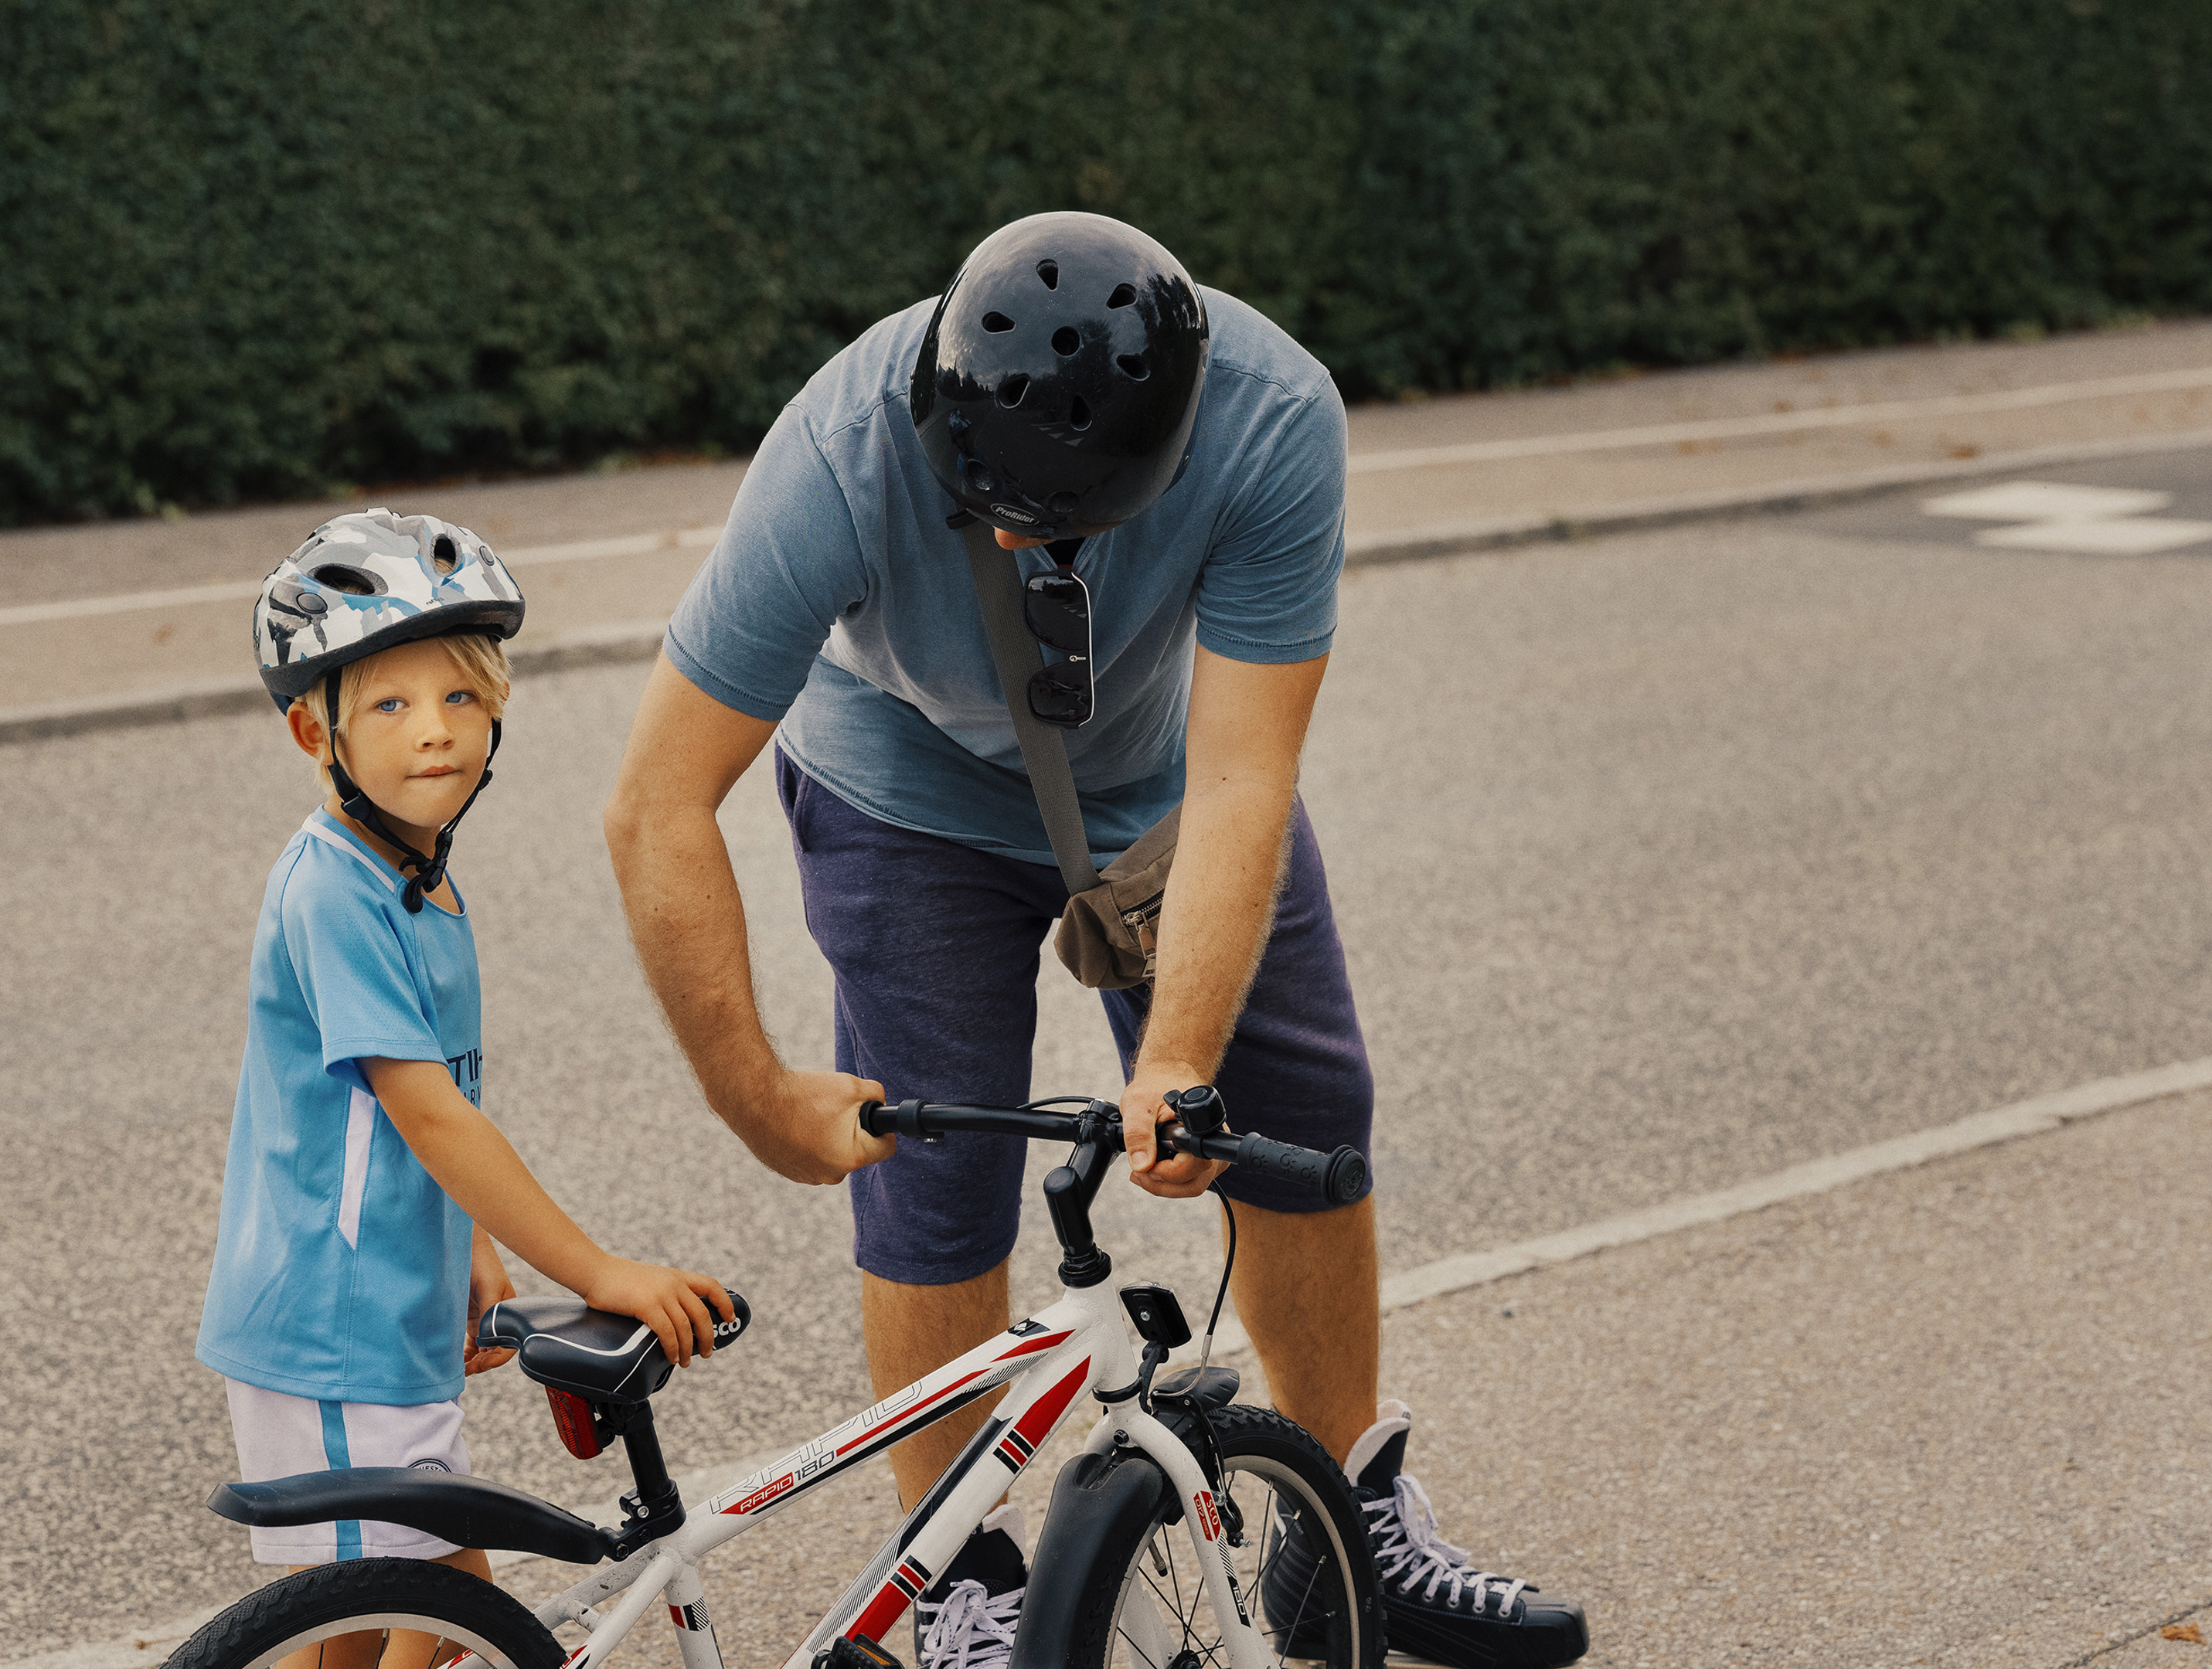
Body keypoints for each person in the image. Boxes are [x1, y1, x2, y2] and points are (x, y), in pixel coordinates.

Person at [601, 216, 1589, 1669]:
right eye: (981, 504)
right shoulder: (838, 453)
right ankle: (957, 1580)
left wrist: (1181, 1055)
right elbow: (655, 803)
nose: (1007, 542)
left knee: (1295, 1115)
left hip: (1159, 784)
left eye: (1046, 525)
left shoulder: (1269, 419)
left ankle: (1340, 1531)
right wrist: (754, 1095)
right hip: (900, 786)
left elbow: (1249, 774)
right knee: (932, 1176)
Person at [201, 508, 734, 1669]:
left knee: (359, 1632)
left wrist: (466, 1249)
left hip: (376, 1309)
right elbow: (428, 1109)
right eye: (388, 705)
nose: (433, 732)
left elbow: (417, 1119)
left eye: (460, 698)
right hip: (331, 1323)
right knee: (445, 1615)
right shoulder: (335, 890)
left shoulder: (414, 878)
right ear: (312, 730)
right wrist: (592, 1270)